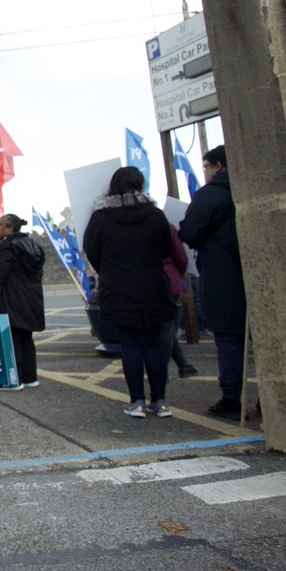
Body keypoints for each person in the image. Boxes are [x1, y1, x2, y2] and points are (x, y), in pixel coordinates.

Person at [83, 168, 176, 417]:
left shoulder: (101, 217)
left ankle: (137, 402)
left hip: (118, 286)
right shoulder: (155, 215)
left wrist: (109, 268)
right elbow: (167, 247)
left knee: (131, 345)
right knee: (154, 345)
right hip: (153, 284)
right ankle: (160, 401)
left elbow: (91, 250)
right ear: (141, 185)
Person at [179, 145, 247, 419]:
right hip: (252, 271)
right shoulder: (251, 186)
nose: (204, 171)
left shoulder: (211, 194)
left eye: (206, 166)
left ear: (219, 166)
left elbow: (190, 231)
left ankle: (231, 397)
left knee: (229, 337)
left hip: (223, 274)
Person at [0, 213, 45, 391]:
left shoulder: (6, 251)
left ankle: (11, 380)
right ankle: (30, 377)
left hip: (9, 301)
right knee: (25, 339)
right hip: (29, 302)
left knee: (11, 340)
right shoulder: (32, 247)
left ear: (9, 229)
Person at [163, 223, 198, 379]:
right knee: (166, 326)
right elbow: (181, 257)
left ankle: (181, 365)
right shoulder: (163, 224)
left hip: (139, 281)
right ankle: (180, 365)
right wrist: (177, 274)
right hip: (168, 278)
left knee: (163, 327)